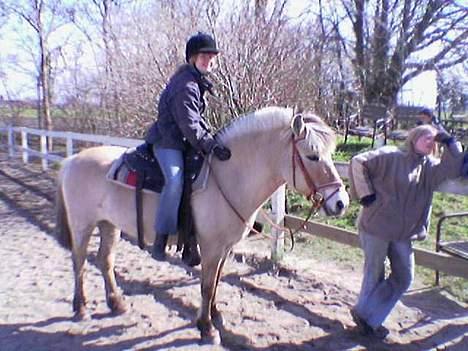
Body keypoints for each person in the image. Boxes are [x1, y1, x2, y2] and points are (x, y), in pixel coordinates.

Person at [348, 124, 463, 339]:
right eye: (426, 137)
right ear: (414, 137)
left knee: (404, 276)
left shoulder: (430, 168)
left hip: (404, 234)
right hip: (376, 227)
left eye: (434, 140)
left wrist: (450, 142)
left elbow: (454, 167)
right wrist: (365, 195)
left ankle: (363, 314)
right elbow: (357, 162)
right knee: (374, 275)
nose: (430, 142)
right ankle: (369, 324)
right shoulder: (391, 155)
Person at [145, 32, 231, 261]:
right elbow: (189, 125)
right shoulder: (186, 85)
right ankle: (160, 239)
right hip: (168, 142)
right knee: (174, 180)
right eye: (204, 56)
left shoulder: (196, 82)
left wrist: (213, 139)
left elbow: (197, 121)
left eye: (212, 56)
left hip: (183, 142)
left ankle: (191, 241)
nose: (209, 60)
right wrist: (208, 144)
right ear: (193, 58)